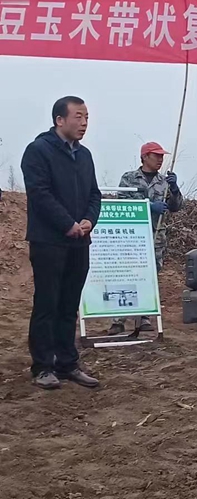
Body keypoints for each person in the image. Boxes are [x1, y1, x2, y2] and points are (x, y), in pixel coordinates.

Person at [20, 96, 101, 390]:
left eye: (87, 117)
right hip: (49, 241)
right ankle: (42, 366)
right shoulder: (38, 151)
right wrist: (67, 224)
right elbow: (39, 194)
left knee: (69, 304)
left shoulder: (85, 155)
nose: (84, 123)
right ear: (59, 120)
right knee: (47, 303)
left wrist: (89, 220)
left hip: (80, 242)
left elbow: (94, 194)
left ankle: (67, 363)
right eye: (78, 117)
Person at [110, 142, 183, 335]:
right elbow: (123, 203)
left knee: (149, 278)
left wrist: (175, 189)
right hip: (132, 238)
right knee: (127, 276)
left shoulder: (164, 182)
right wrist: (148, 206)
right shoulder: (129, 178)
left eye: (162, 156)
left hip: (156, 237)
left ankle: (144, 317)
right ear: (144, 157)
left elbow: (176, 207)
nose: (160, 159)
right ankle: (118, 319)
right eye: (156, 156)